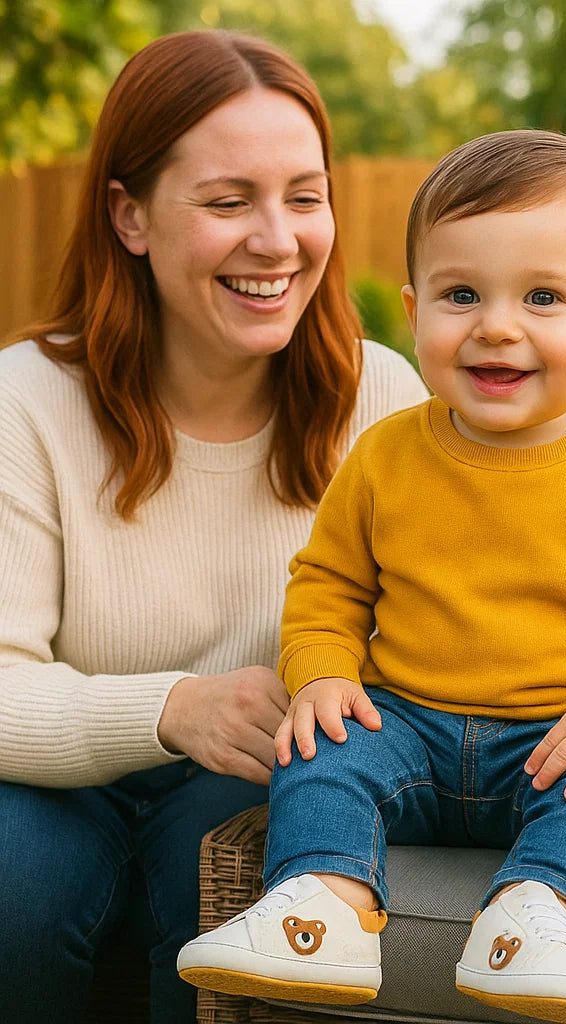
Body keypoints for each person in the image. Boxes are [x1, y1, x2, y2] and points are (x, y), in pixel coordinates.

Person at [177, 129, 566, 1023]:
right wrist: (320, 670)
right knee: (318, 752)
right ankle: (325, 907)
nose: (497, 325)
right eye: (462, 294)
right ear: (414, 308)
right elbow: (329, 584)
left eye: (544, 297)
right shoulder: (387, 453)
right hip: (405, 723)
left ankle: (540, 914)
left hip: (558, 733)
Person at [0, 30, 427, 1024]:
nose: (277, 240)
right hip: (53, 785)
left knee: (229, 860)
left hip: (256, 778)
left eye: (304, 196)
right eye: (228, 201)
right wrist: (173, 707)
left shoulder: (384, 400)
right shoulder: (25, 401)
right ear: (130, 215)